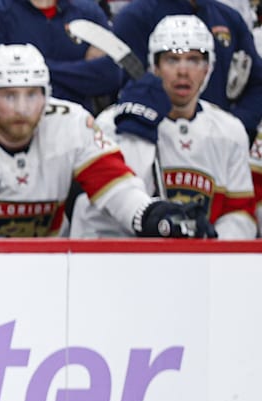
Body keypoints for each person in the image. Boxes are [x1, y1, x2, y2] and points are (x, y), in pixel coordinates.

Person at [0, 43, 214, 238]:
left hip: (55, 268)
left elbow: (114, 186)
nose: (22, 109)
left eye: (32, 95)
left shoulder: (70, 123)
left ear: (47, 96)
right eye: (9, 96)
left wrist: (151, 215)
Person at [72, 15, 257, 238]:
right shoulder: (114, 122)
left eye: (194, 59)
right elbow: (117, 201)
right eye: (172, 59)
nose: (183, 71)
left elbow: (240, 213)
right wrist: (137, 130)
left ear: (208, 68)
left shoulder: (229, 130)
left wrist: (210, 244)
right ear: (156, 67)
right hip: (126, 259)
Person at [113, 0, 262, 140]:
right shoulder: (135, 17)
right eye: (172, 59)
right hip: (155, 141)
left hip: (217, 144)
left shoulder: (228, 17)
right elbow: (125, 84)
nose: (183, 71)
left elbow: (257, 81)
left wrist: (234, 125)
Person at [0, 0, 124, 115]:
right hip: (14, 123)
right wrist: (81, 69)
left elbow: (111, 75)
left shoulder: (89, 13)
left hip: (77, 127)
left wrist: (25, 70)